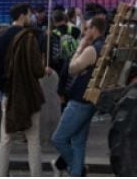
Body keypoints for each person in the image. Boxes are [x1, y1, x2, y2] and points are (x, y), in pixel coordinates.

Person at [0, 3, 49, 176]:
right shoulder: (30, 37)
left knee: (5, 139)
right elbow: (37, 70)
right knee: (33, 139)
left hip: (9, 95)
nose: (31, 17)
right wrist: (44, 70)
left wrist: (6, 88)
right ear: (23, 15)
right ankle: (35, 174)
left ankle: (1, 174)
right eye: (30, 14)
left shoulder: (1, 38)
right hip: (29, 94)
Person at [51, 15, 107, 177]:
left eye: (87, 28)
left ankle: (79, 169)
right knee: (78, 141)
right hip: (90, 100)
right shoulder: (104, 46)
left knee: (58, 139)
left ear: (94, 29)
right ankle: (76, 173)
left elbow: (72, 68)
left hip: (79, 100)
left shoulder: (91, 49)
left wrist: (80, 46)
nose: (84, 31)